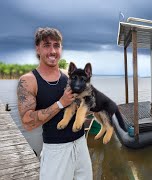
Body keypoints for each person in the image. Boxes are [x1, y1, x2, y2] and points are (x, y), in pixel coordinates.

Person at [17, 27, 93, 180]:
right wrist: (60, 103)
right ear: (37, 48)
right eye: (47, 45)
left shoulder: (69, 76)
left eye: (56, 45)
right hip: (56, 149)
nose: (52, 51)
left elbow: (85, 103)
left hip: (80, 143)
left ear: (61, 49)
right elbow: (27, 122)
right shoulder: (28, 81)